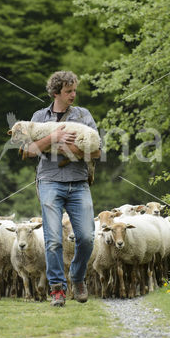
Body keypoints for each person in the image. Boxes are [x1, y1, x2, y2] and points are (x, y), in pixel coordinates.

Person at [24, 71, 100, 307]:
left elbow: (96, 151)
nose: (73, 95)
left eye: (74, 90)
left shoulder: (83, 115)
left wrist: (73, 150)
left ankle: (77, 277)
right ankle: (57, 288)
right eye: (68, 91)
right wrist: (53, 137)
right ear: (56, 92)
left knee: (87, 237)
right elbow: (27, 151)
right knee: (54, 239)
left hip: (78, 183)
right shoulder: (39, 117)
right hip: (49, 181)